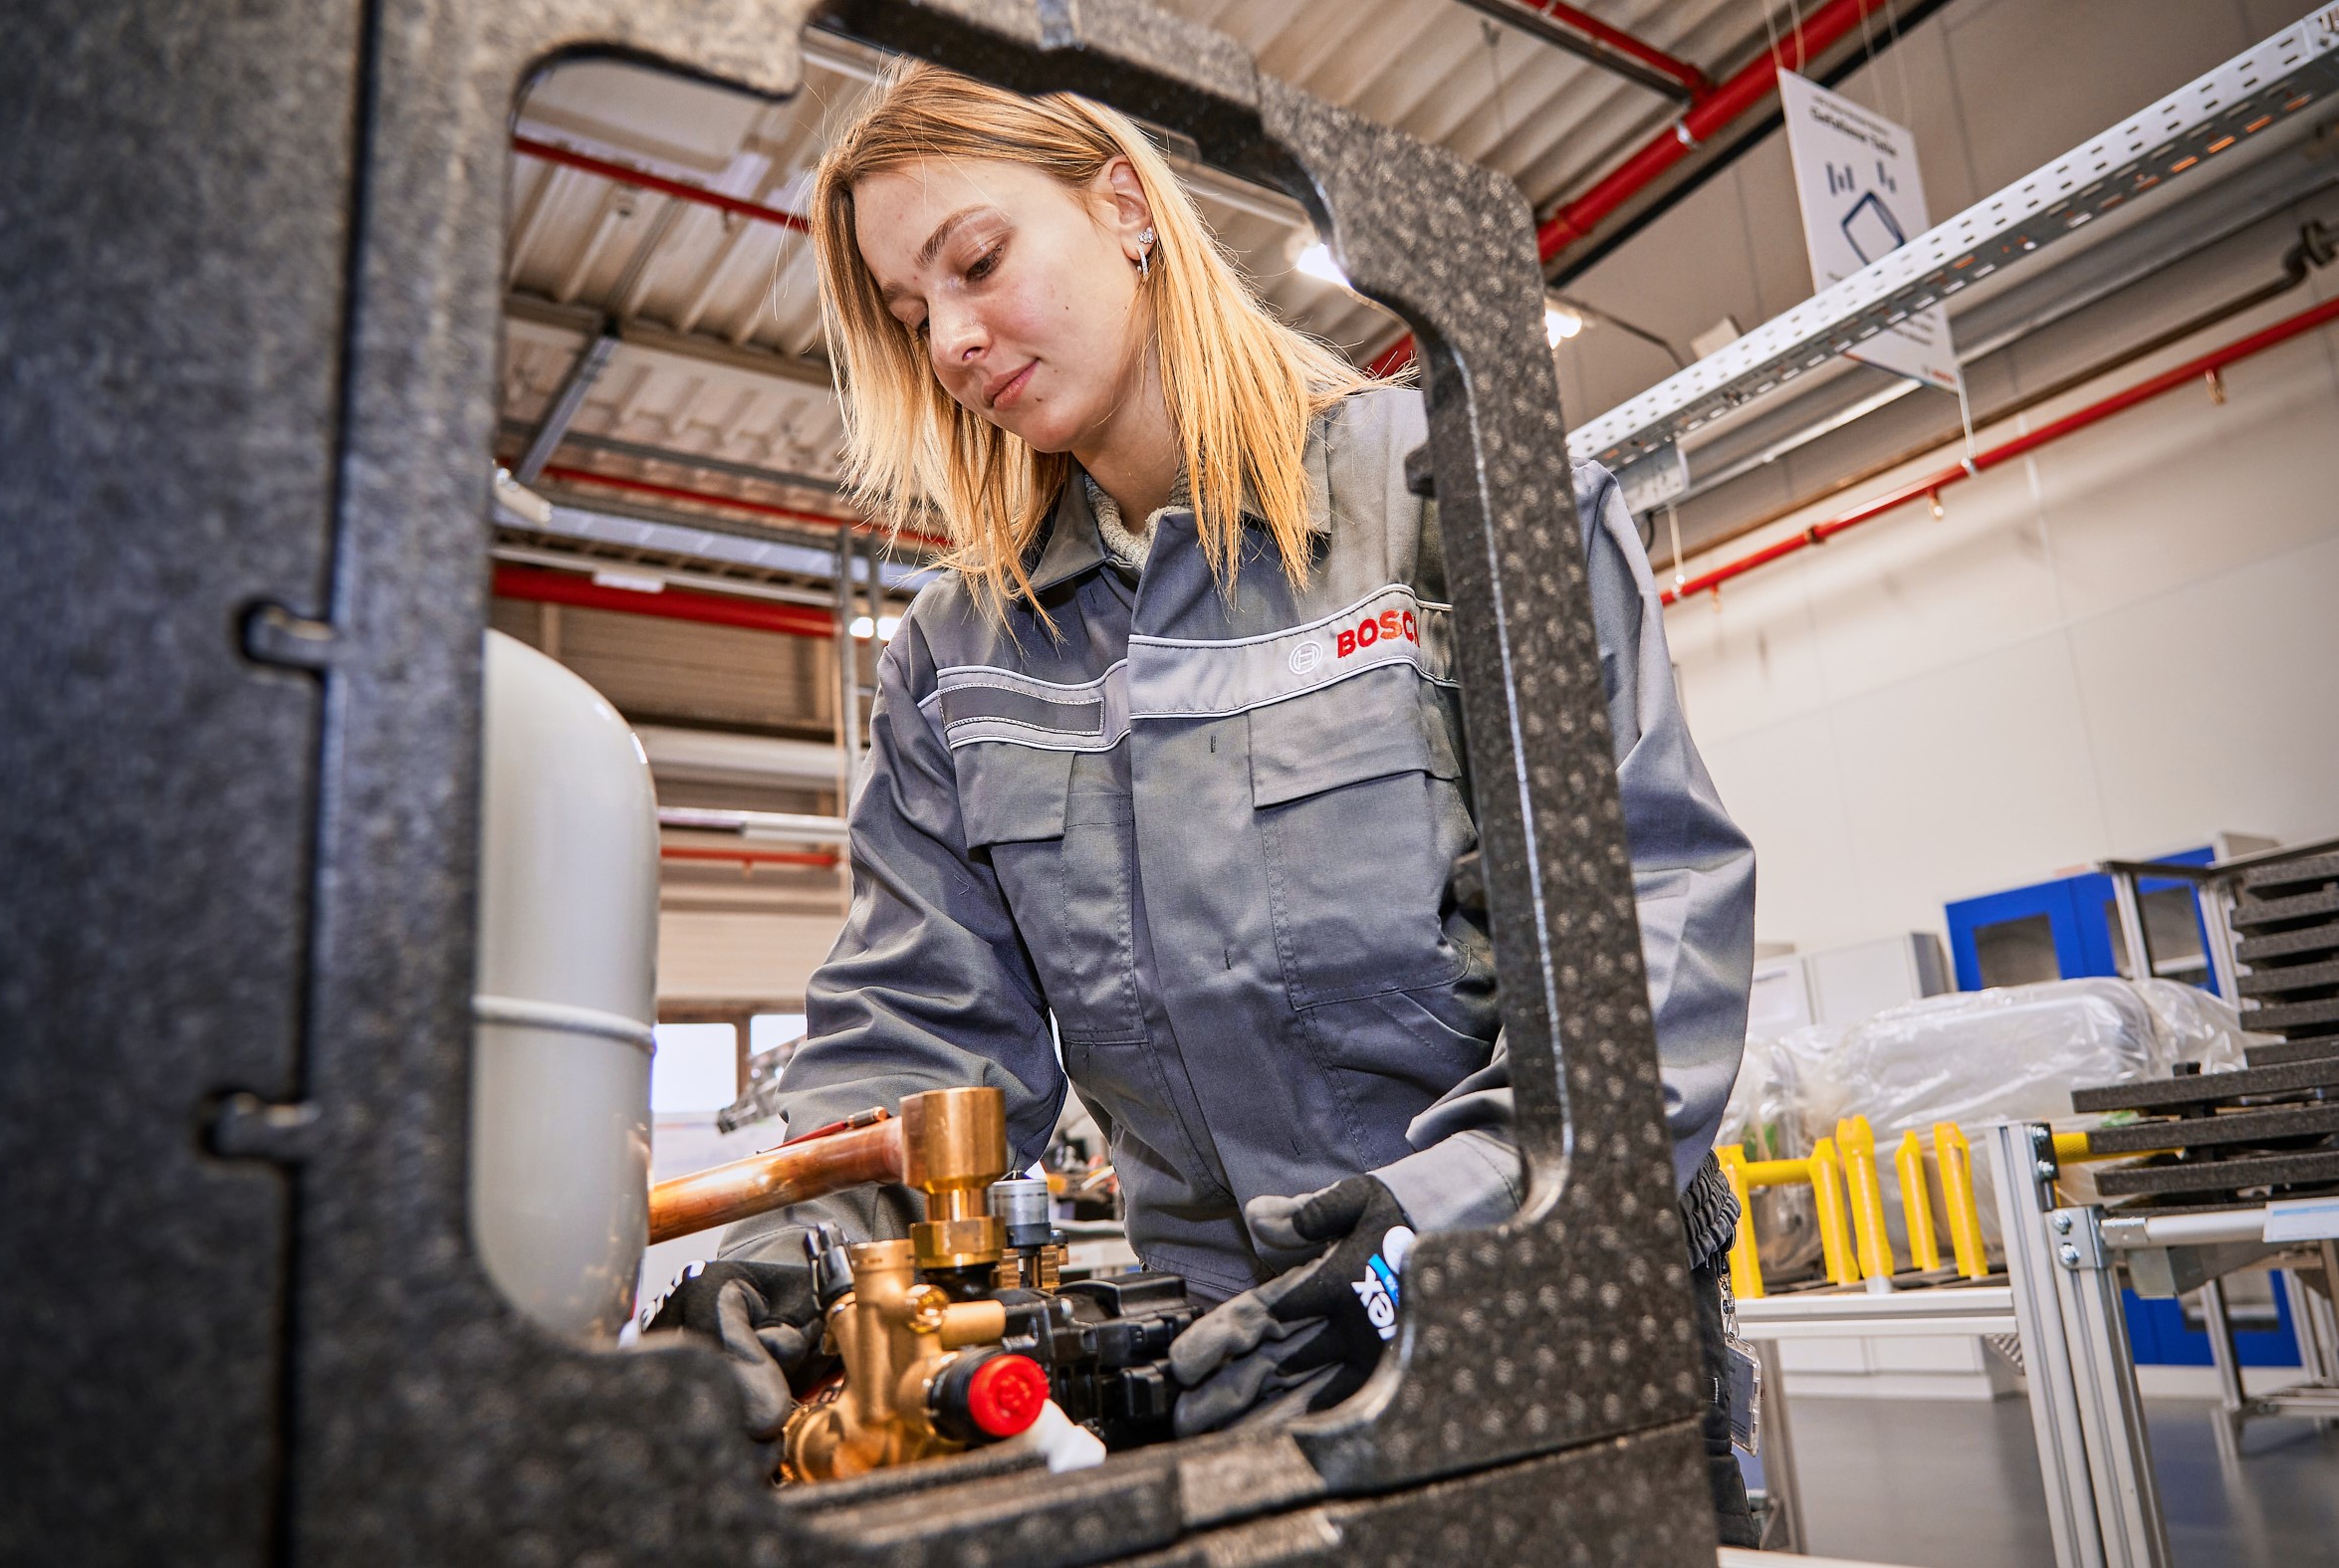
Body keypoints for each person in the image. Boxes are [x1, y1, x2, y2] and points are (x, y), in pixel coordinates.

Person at [644, 63, 1758, 1543]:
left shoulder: (1459, 494)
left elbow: (1643, 938)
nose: (957, 342)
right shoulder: (959, 654)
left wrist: (1424, 1236)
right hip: (1212, 1375)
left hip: (1537, 1330)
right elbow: (919, 1040)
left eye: (975, 263)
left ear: (1121, 204)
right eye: (913, 320)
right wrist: (794, 1252)